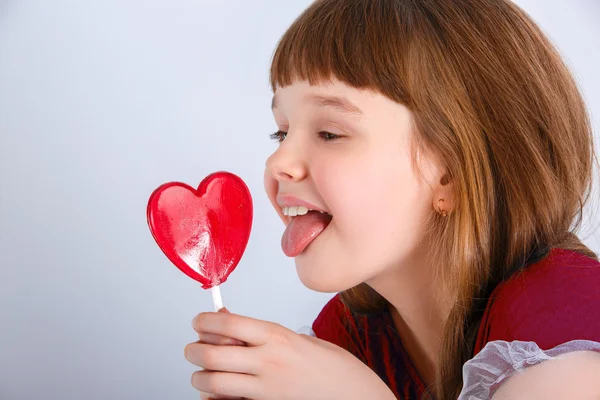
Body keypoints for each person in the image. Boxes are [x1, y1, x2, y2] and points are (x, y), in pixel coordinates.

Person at [183, 0, 600, 398]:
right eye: (282, 131)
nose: (279, 161)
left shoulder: (562, 334)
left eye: (329, 133)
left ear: (452, 175)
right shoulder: (354, 332)